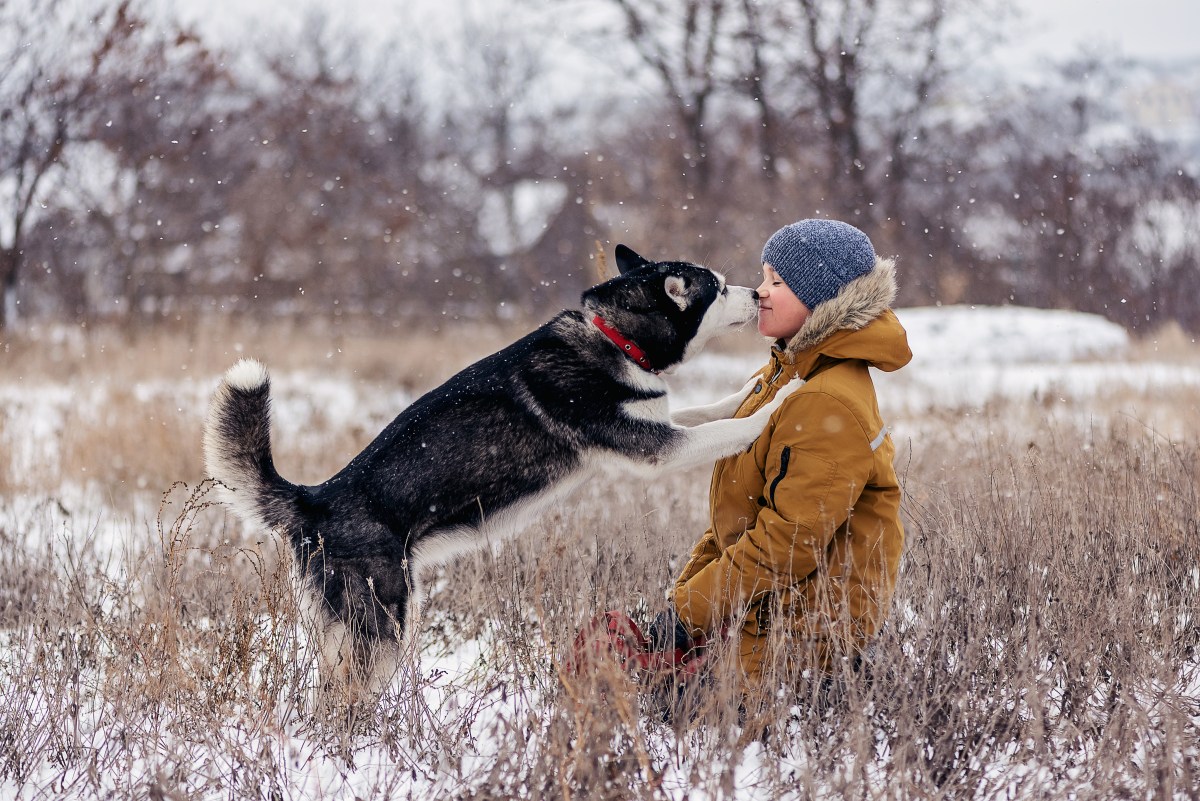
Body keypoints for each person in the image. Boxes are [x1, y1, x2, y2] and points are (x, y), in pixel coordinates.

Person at [646, 218, 912, 704]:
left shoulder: (823, 399)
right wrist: (682, 609)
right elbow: (741, 514)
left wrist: (689, 616)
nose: (760, 292)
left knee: (659, 719)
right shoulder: (785, 375)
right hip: (765, 612)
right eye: (763, 276)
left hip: (803, 639)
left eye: (778, 281)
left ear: (821, 297)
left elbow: (788, 542)